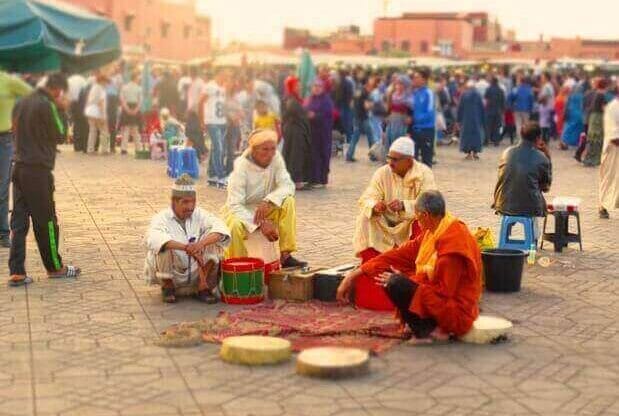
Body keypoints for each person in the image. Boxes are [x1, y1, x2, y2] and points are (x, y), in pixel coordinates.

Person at [337, 190, 482, 343]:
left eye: (417, 216)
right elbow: (398, 255)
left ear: (425, 215)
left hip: (457, 312)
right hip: (440, 298)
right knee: (388, 275)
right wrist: (353, 274)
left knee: (395, 282)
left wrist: (407, 283)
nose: (417, 221)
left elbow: (444, 292)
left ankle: (429, 330)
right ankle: (424, 323)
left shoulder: (453, 243)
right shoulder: (436, 229)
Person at [8, 73, 81, 287]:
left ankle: (17, 272)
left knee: (19, 222)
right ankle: (54, 267)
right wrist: (61, 108)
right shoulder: (47, 105)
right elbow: (61, 134)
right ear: (56, 89)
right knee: (47, 221)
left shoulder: (21, 101)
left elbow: (13, 128)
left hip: (19, 167)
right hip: (38, 171)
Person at [222, 129, 306, 268]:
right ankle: (239, 267)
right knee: (234, 227)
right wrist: (261, 223)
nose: (270, 153)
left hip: (267, 206)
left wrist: (270, 200)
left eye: (273, 149)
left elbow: (288, 185)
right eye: (264, 149)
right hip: (242, 211)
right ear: (253, 150)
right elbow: (235, 205)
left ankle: (285, 255)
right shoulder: (241, 168)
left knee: (288, 201)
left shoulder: (275, 158)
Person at [144, 174, 230, 303]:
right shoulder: (161, 218)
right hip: (173, 273)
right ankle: (168, 287)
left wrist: (200, 244)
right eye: (185, 202)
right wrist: (185, 248)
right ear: (174, 201)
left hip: (197, 273)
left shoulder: (200, 214)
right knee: (162, 246)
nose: (190, 207)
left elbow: (221, 228)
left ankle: (202, 288)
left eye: (193, 202)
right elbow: (153, 239)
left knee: (213, 241)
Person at [353, 136, 436, 259]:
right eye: (389, 158)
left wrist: (403, 205)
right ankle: (372, 262)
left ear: (409, 161)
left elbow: (430, 203)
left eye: (395, 159)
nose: (390, 163)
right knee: (366, 216)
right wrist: (375, 206)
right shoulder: (382, 172)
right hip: (386, 224)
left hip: (410, 222)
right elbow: (368, 196)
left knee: (425, 219)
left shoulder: (424, 173)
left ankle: (413, 263)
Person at [492, 122, 552, 237]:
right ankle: (532, 241)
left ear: (521, 134)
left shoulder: (507, 152)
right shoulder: (541, 157)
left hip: (503, 203)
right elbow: (546, 187)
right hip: (529, 206)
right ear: (538, 138)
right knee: (535, 198)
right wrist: (547, 155)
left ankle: (505, 237)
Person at [0, 71, 32, 249]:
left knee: (3, 188)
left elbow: (32, 95)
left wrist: (16, 115)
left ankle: (3, 233)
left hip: (4, 140)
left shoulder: (8, 80)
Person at [281, 76, 312, 190]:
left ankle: (292, 180)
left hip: (294, 129)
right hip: (294, 130)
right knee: (295, 155)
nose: (299, 87)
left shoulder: (293, 98)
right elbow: (295, 111)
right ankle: (296, 181)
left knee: (292, 154)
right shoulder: (291, 99)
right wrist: (306, 114)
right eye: (296, 85)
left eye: (299, 85)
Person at [201, 69, 228, 188]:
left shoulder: (223, 88)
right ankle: (221, 177)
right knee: (219, 148)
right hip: (212, 121)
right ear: (219, 73)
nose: (227, 76)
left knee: (215, 148)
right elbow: (200, 102)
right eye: (225, 74)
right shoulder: (210, 86)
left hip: (222, 122)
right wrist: (202, 121)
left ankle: (212, 176)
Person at [305, 79, 334, 188]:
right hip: (312, 132)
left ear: (322, 88)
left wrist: (315, 116)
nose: (316, 88)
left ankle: (321, 180)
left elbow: (328, 115)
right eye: (314, 86)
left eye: (319, 86)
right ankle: (313, 179)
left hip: (323, 133)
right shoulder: (310, 99)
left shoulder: (326, 100)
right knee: (313, 155)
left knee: (322, 154)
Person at [599, 84, 619, 219]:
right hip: (613, 149)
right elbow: (614, 135)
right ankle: (602, 205)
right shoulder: (613, 107)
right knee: (609, 178)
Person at [346, 77, 376, 162]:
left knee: (354, 138)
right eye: (371, 86)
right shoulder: (366, 93)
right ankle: (372, 155)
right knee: (371, 137)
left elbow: (351, 104)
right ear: (367, 85)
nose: (372, 88)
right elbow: (366, 106)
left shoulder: (357, 91)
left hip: (356, 117)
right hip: (364, 118)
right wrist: (372, 105)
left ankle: (349, 155)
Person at [411, 68, 436, 167]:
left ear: (424, 80)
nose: (414, 79)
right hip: (415, 130)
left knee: (426, 160)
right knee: (413, 160)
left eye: (417, 77)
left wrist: (416, 119)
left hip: (426, 130)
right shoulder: (415, 93)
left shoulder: (428, 93)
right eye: (414, 77)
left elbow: (430, 111)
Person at [582, 79, 608, 167]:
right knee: (597, 139)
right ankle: (594, 159)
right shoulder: (601, 95)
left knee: (592, 138)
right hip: (598, 118)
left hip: (593, 117)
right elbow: (603, 108)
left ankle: (588, 159)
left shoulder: (595, 93)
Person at [458, 80, 485, 160]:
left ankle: (469, 153)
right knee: (477, 135)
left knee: (467, 136)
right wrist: (483, 119)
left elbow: (460, 108)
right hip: (477, 119)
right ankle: (476, 153)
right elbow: (482, 108)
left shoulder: (464, 95)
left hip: (466, 119)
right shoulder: (478, 95)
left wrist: (458, 119)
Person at [85, 73, 109, 154]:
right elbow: (101, 102)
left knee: (92, 131)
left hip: (90, 111)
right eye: (105, 81)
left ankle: (90, 149)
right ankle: (104, 150)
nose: (106, 83)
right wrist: (102, 115)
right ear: (102, 81)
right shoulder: (101, 89)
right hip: (97, 112)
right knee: (104, 131)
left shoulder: (93, 87)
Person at [119, 71, 143, 155]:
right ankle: (138, 148)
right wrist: (136, 110)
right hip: (135, 106)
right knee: (135, 130)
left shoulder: (124, 87)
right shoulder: (139, 88)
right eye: (138, 77)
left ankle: (123, 149)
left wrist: (126, 109)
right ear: (135, 78)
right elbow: (140, 101)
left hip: (126, 107)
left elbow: (122, 99)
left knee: (126, 129)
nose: (139, 79)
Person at [385, 75, 411, 150]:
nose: (399, 86)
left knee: (400, 142)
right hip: (392, 122)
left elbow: (410, 111)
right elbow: (388, 109)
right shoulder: (392, 95)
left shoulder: (408, 96)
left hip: (402, 122)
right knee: (390, 140)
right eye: (397, 84)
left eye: (401, 84)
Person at [510, 74, 534, 141]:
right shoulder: (529, 89)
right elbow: (531, 99)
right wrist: (531, 108)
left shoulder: (516, 89)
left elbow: (511, 97)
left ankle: (520, 139)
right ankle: (526, 139)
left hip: (517, 109)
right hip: (526, 109)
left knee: (518, 125)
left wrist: (512, 106)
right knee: (526, 125)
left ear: (520, 81)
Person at [484, 76, 505, 146]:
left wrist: (485, 108)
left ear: (492, 82)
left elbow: (486, 100)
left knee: (488, 126)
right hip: (498, 111)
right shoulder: (501, 90)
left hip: (490, 110)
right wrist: (502, 111)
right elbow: (503, 101)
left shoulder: (488, 89)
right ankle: (496, 142)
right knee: (497, 126)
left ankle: (487, 141)